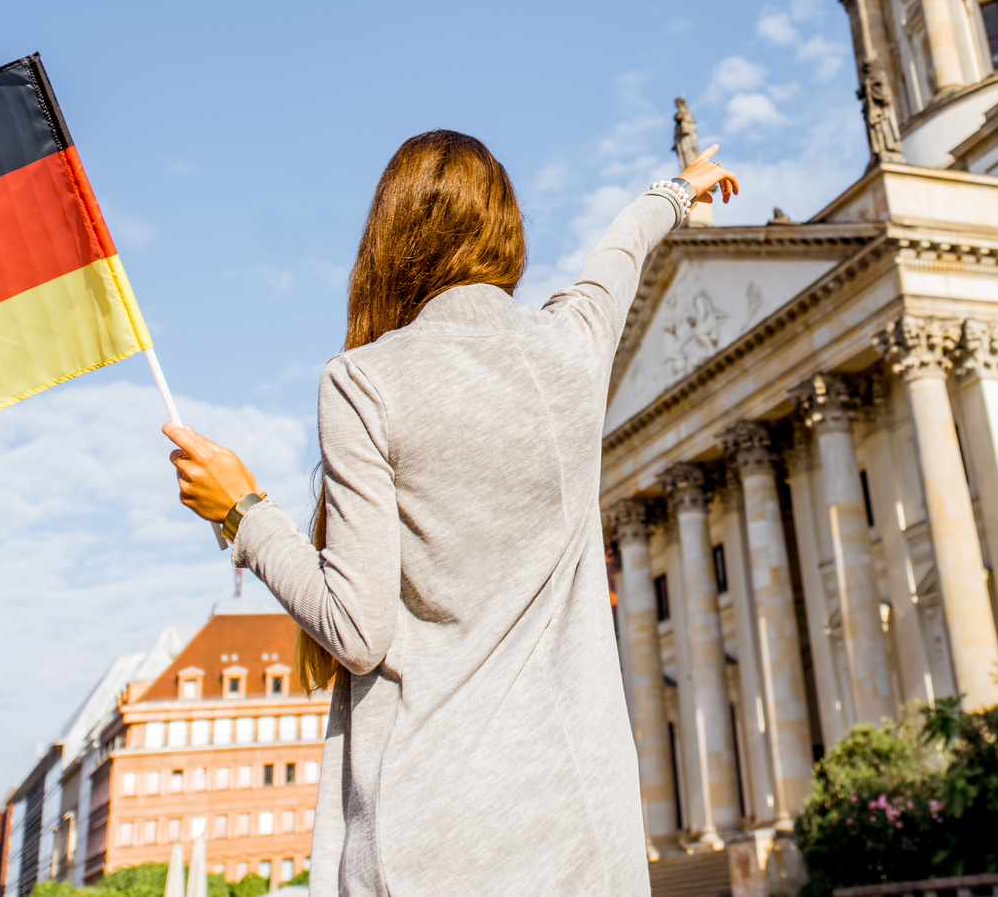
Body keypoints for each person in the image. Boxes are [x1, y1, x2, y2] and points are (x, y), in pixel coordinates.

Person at [163, 130, 738, 896]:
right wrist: (678, 189)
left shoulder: (364, 381)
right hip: (581, 835)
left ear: (391, 239)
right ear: (507, 228)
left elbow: (358, 632)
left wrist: (244, 514)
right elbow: (617, 258)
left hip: (428, 834)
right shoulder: (574, 345)